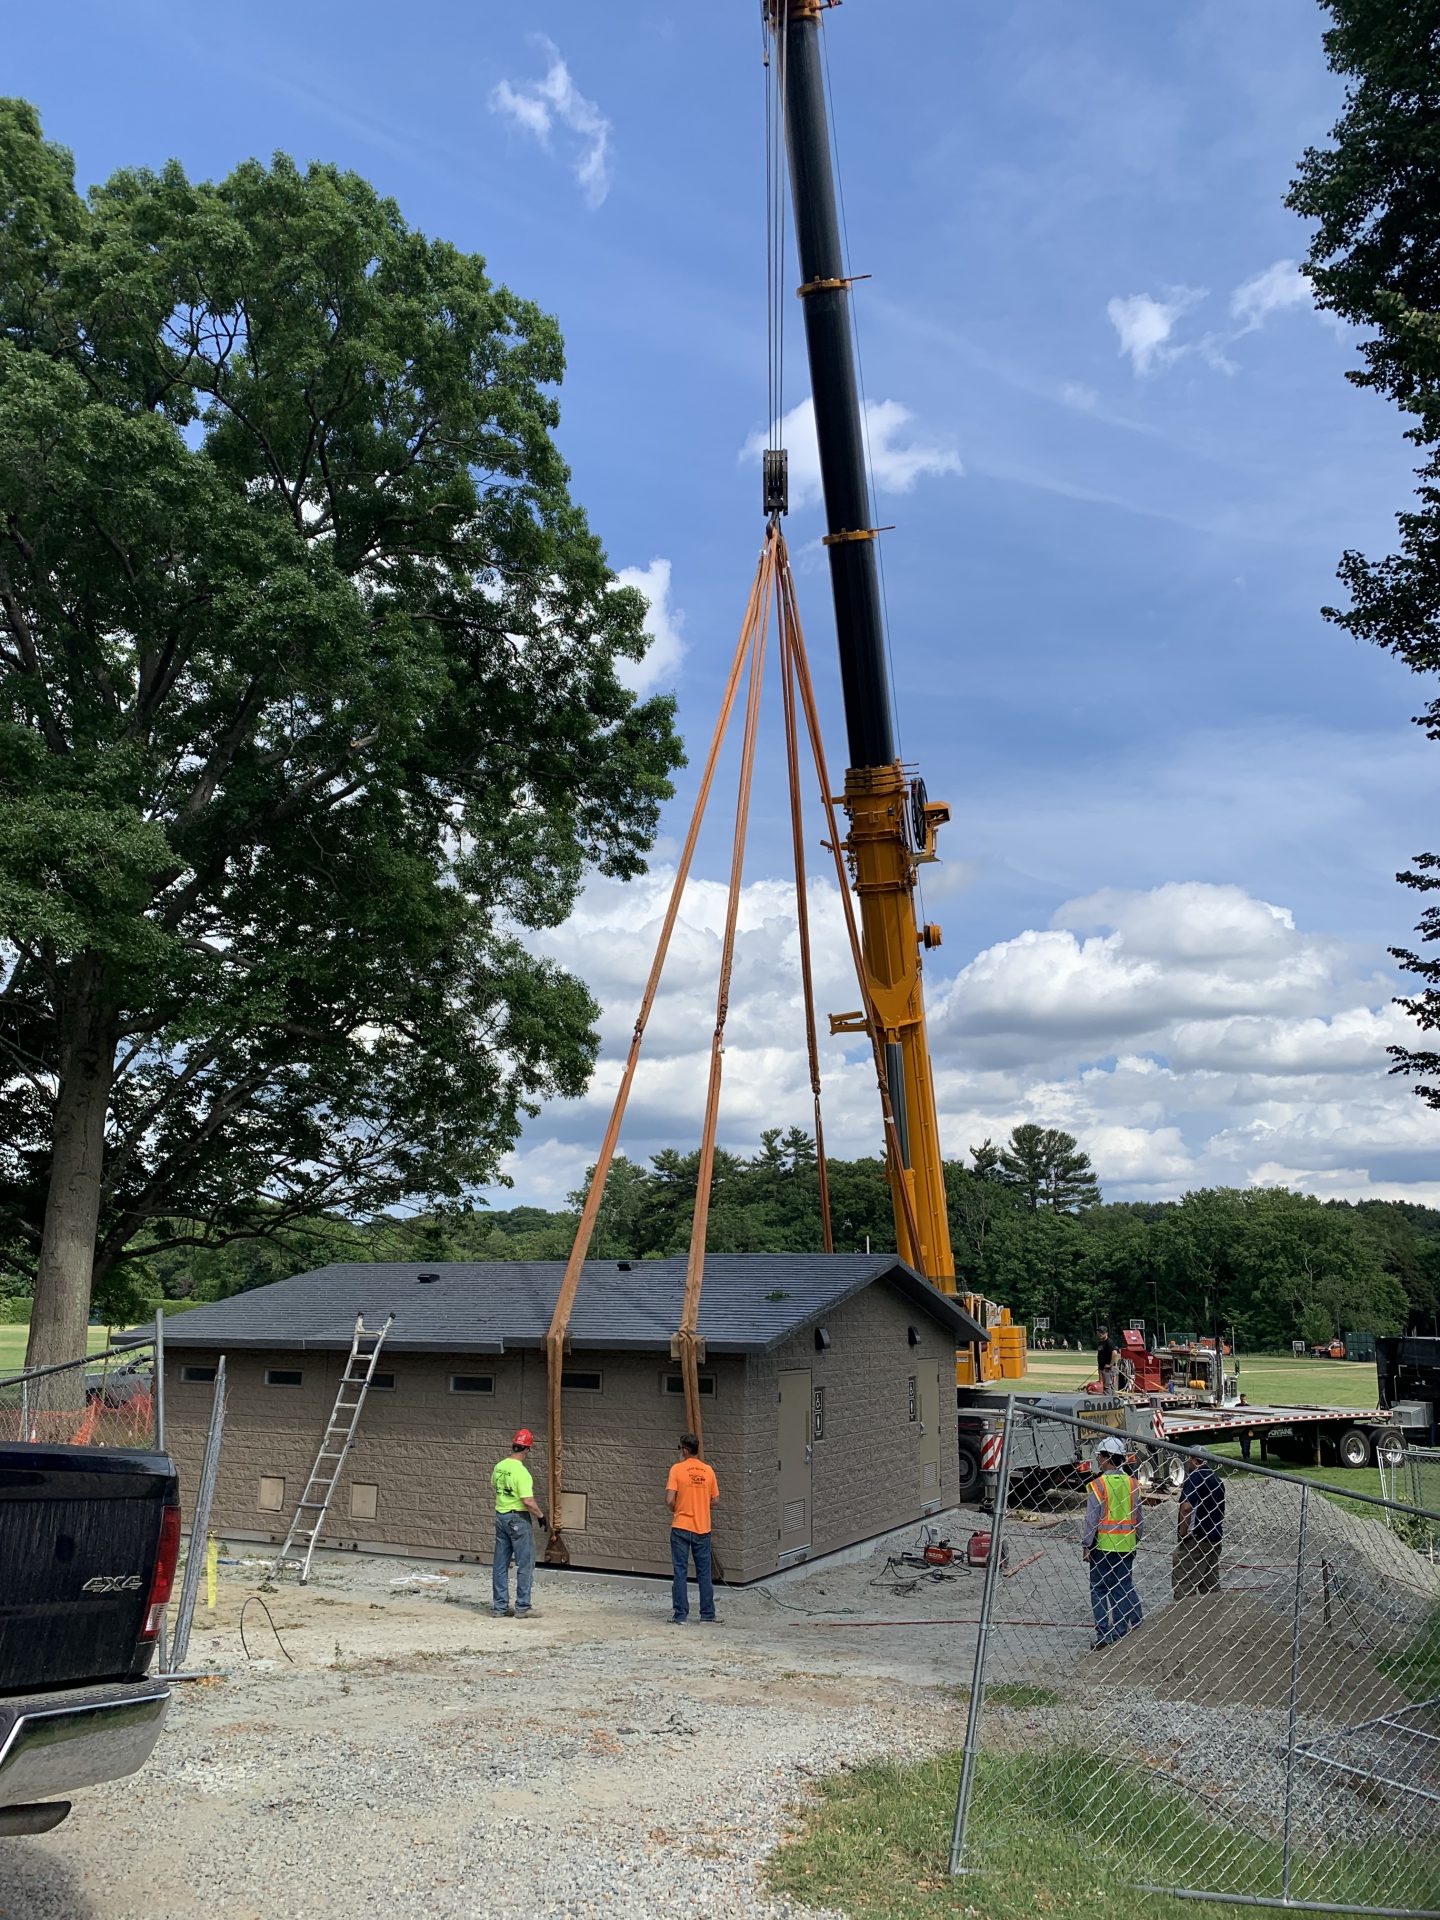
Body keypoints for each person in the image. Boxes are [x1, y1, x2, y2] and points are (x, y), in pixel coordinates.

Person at [1082, 1434, 1144, 1647]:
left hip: (1102, 1546)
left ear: (1108, 1458)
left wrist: (1086, 1544)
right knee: (1122, 1588)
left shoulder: (1098, 1485)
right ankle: (1121, 1632)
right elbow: (1138, 1518)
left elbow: (1092, 1518)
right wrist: (1135, 1540)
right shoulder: (1133, 1484)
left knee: (1099, 1590)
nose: (1098, 1459)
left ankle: (1104, 1635)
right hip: (1126, 1546)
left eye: (1100, 1456)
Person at [491, 1428, 547, 1619]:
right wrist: (540, 1516)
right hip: (518, 1519)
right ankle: (523, 1606)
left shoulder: (499, 1466)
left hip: (501, 1517)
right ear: (527, 1449)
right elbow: (527, 1500)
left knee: (500, 1564)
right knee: (525, 1564)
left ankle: (499, 1607)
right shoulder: (522, 1472)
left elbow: (494, 1486)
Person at [666, 1432, 720, 1625]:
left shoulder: (677, 1470)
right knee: (704, 1573)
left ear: (685, 1450)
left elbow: (669, 1499)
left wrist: (678, 1506)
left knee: (680, 1571)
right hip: (703, 1527)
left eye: (680, 1449)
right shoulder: (708, 1471)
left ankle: (680, 1615)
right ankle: (707, 1614)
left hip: (681, 1526)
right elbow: (715, 1499)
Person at [1173, 1452, 1226, 1598]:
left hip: (1196, 1538)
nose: (1187, 1464)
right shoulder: (1216, 1480)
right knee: (1210, 1585)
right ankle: (1215, 1615)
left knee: (1184, 1583)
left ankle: (1182, 1616)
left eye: (1188, 1460)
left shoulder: (1195, 1477)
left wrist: (1182, 1533)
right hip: (1214, 1538)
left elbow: (1186, 1508)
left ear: (1195, 1460)